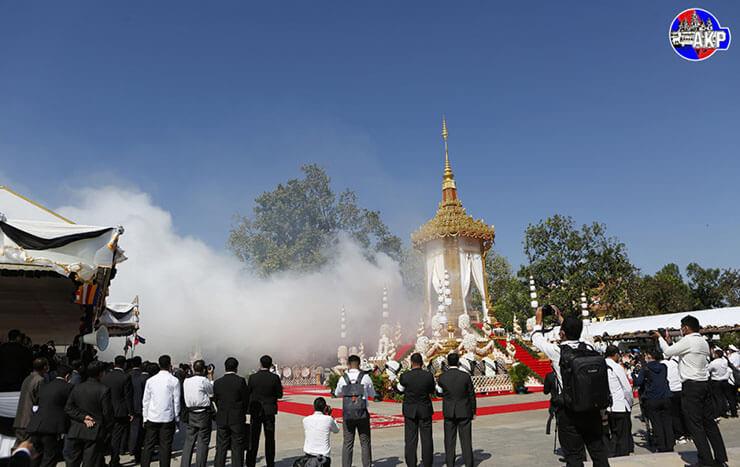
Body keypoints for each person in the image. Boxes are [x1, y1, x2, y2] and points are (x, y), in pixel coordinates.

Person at [531, 306, 609, 467]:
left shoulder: (557, 351)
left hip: (569, 411)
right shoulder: (589, 346)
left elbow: (536, 339)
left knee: (574, 456)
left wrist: (539, 319)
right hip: (592, 408)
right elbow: (575, 332)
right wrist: (561, 318)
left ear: (562, 333)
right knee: (598, 452)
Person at [656, 315, 727, 466]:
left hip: (691, 386)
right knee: (709, 423)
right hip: (704, 384)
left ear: (686, 328)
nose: (681, 330)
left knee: (695, 425)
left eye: (682, 328)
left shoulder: (688, 340)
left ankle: (705, 460)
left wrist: (660, 338)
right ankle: (720, 458)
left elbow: (668, 352)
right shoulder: (703, 342)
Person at [64, 360, 113, 467]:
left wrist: (83, 417)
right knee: (90, 462)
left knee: (72, 462)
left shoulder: (77, 387)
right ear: (101, 373)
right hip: (94, 432)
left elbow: (68, 407)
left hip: (76, 430)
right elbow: (107, 413)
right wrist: (108, 430)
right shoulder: (104, 390)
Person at [26, 364, 73, 467]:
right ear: (68, 376)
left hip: (36, 424)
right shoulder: (69, 387)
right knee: (49, 457)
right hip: (51, 428)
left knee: (36, 457)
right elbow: (70, 407)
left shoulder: (45, 385)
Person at [334, 355, 375, 467]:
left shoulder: (343, 378)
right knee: (365, 442)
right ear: (359, 364)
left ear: (348, 364)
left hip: (348, 415)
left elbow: (337, 393)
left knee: (348, 443)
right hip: (362, 414)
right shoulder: (365, 377)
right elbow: (372, 394)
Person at [436, 352, 475, 467]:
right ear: (458, 362)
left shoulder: (442, 377)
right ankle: (469, 463)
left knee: (449, 440)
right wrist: (473, 411)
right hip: (464, 410)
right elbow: (471, 395)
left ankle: (450, 463)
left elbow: (439, 393)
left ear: (448, 363)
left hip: (449, 411)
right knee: (466, 440)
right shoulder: (465, 376)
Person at [141, 355, 181, 467]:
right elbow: (176, 402)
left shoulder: (150, 380)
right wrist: (177, 418)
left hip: (152, 417)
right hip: (167, 418)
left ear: (159, 365)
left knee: (148, 445)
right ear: (169, 365)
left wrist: (145, 418)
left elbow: (146, 401)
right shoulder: (174, 381)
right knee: (165, 447)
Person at [397, 353, 435, 467]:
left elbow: (400, 390)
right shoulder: (428, 375)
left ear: (411, 362)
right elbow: (431, 390)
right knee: (427, 439)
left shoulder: (405, 376)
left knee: (410, 440)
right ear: (422, 363)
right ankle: (427, 463)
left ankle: (411, 464)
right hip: (424, 409)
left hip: (410, 410)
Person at [633, 349, 673, 452]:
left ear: (650, 357)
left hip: (652, 398)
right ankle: (670, 444)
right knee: (667, 422)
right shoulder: (664, 367)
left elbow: (638, 382)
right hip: (665, 396)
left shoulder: (645, 368)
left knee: (656, 423)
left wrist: (634, 374)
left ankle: (661, 446)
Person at [247, 355, 283, 467]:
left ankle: (251, 462)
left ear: (260, 364)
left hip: (256, 411)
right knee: (270, 438)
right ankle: (270, 463)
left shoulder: (253, 377)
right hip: (269, 411)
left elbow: (248, 393)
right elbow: (279, 395)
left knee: (253, 438)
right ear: (271, 364)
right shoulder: (274, 378)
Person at [213, 357, 249, 467]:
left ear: (225, 367)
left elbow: (216, 399)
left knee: (221, 447)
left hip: (222, 417)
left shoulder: (218, 382)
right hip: (237, 418)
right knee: (237, 447)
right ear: (236, 368)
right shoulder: (240, 381)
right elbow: (245, 399)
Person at [101, 356, 133, 467]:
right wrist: (130, 412)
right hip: (120, 412)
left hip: (106, 410)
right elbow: (127, 396)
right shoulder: (125, 377)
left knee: (106, 435)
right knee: (117, 437)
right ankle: (114, 460)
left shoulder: (105, 377)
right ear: (124, 364)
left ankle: (102, 459)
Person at [181, 360, 214, 467]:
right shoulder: (204, 380)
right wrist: (210, 376)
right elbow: (211, 392)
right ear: (204, 369)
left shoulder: (186, 381)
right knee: (203, 442)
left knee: (189, 441)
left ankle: (185, 464)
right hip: (203, 413)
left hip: (191, 413)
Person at [604, 345, 632, 457]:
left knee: (613, 433)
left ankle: (612, 453)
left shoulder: (600, 366)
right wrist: (629, 403)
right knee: (623, 435)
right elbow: (627, 389)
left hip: (607, 406)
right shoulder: (616, 367)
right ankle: (622, 456)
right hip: (620, 405)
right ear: (616, 355)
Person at [13, 358, 48, 443]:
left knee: (19, 447)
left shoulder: (27, 378)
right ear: (44, 367)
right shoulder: (40, 380)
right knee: (28, 448)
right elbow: (41, 399)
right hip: (29, 420)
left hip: (20, 419)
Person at [301, 397, 339, 465]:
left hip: (309, 456)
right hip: (323, 457)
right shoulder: (328, 419)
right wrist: (331, 417)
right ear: (325, 408)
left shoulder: (305, 420)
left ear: (314, 407)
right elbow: (336, 430)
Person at [661, 356, 687, 443]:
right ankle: (689, 433)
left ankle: (679, 435)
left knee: (674, 414)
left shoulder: (663, 364)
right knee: (684, 413)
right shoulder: (680, 362)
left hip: (671, 391)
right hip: (681, 389)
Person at [128, 356, 149, 463]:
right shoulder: (143, 377)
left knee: (133, 431)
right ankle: (137, 452)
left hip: (129, 407)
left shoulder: (128, 375)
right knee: (140, 432)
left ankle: (131, 449)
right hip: (140, 408)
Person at [707, 349, 731, 419]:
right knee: (724, 397)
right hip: (724, 380)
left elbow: (708, 369)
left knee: (717, 398)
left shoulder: (713, 363)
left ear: (717, 355)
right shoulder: (725, 361)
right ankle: (725, 410)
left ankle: (719, 411)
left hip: (716, 380)